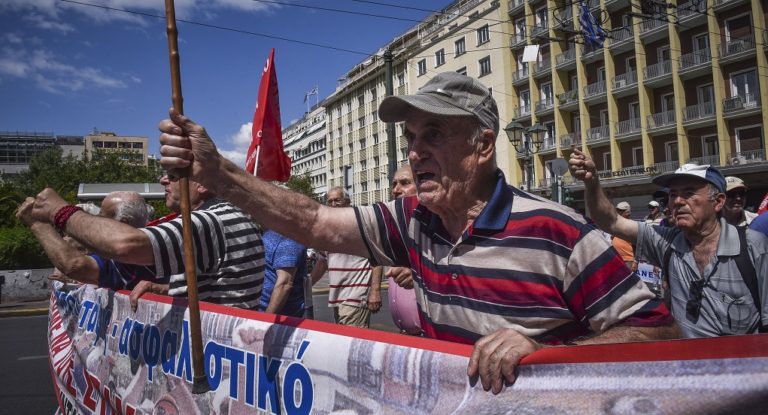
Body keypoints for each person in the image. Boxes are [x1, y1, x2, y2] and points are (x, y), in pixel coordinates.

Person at [156, 71, 676, 394]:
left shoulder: (556, 230)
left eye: (434, 134)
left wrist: (544, 354)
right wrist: (220, 174)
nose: (414, 151)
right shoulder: (410, 222)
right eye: (410, 138)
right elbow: (314, 222)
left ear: (482, 146)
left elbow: (658, 331)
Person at [570, 150, 768, 338]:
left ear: (718, 202)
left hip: (743, 369)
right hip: (686, 369)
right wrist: (592, 182)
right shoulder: (666, 242)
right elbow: (611, 221)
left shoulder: (753, 247)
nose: (678, 201)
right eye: (673, 194)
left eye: (689, 193)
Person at [20, 174, 265, 310]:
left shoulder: (209, 221)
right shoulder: (223, 215)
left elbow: (124, 246)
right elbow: (221, 285)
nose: (162, 180)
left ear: (202, 183)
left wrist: (58, 212)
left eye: (172, 174)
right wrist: (164, 289)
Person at [18, 191, 156, 290]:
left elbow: (75, 266)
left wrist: (36, 223)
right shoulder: (156, 243)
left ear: (125, 223)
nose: (97, 221)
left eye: (103, 217)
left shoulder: (130, 258)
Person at [308, 187, 383, 328]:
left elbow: (377, 259)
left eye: (337, 200)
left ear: (347, 202)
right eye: (330, 201)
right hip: (337, 297)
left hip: (356, 295)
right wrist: (307, 284)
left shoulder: (360, 225)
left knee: (353, 342)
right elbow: (322, 262)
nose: (333, 204)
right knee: (345, 342)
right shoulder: (327, 231)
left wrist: (375, 291)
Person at [386, 164, 422, 335]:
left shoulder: (434, 223)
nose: (396, 190)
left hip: (430, 337)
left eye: (405, 183)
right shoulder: (393, 225)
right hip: (405, 335)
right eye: (394, 184)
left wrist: (417, 276)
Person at [259, 228, 308, 317]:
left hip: (280, 321)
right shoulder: (267, 234)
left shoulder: (289, 239)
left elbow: (284, 284)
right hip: (257, 315)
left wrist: (265, 320)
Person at [612, 201, 636, 270]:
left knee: (629, 280)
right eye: (618, 211)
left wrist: (635, 262)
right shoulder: (616, 225)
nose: (618, 213)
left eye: (620, 211)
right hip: (617, 258)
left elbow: (637, 246)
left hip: (628, 260)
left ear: (627, 212)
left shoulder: (632, 225)